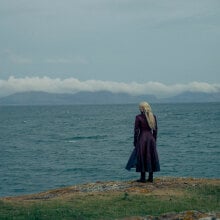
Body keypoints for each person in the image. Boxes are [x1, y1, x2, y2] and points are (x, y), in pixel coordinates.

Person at [126, 101, 160, 182]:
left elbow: (136, 131)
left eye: (139, 107)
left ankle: (143, 178)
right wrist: (154, 140)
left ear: (141, 108)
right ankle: (151, 177)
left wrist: (135, 141)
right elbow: (155, 130)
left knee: (142, 157)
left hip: (142, 138)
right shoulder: (153, 116)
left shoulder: (138, 117)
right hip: (151, 138)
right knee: (151, 156)